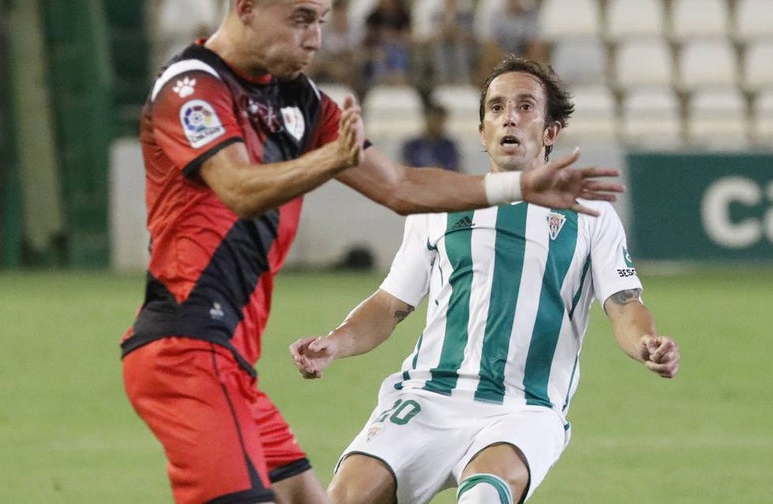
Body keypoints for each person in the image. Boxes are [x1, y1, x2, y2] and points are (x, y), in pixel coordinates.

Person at [120, 0, 624, 504]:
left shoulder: (298, 100)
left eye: (323, 20)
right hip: (186, 351)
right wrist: (328, 160)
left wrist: (519, 184)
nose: (316, 38)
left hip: (231, 361)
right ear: (246, 9)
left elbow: (401, 186)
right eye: (302, 19)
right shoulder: (192, 86)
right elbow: (237, 187)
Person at [290, 56, 680, 504]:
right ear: (482, 132)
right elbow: (389, 304)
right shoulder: (438, 206)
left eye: (524, 106)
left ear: (551, 132)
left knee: (483, 498)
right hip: (428, 396)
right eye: (495, 108)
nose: (508, 116)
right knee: (344, 498)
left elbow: (624, 304)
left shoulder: (592, 216)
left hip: (523, 408)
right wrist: (335, 343)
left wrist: (647, 342)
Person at [428, 0, 479, 86]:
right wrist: (444, 31)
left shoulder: (465, 14)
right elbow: (433, 36)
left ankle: (462, 80)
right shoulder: (437, 14)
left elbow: (469, 35)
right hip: (443, 43)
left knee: (459, 47)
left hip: (460, 43)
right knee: (440, 46)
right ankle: (443, 79)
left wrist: (455, 30)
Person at [401, 102, 461, 171]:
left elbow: (457, 169)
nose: (437, 125)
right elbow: (405, 169)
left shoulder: (449, 147)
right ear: (427, 120)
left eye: (440, 121)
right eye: (435, 120)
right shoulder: (413, 145)